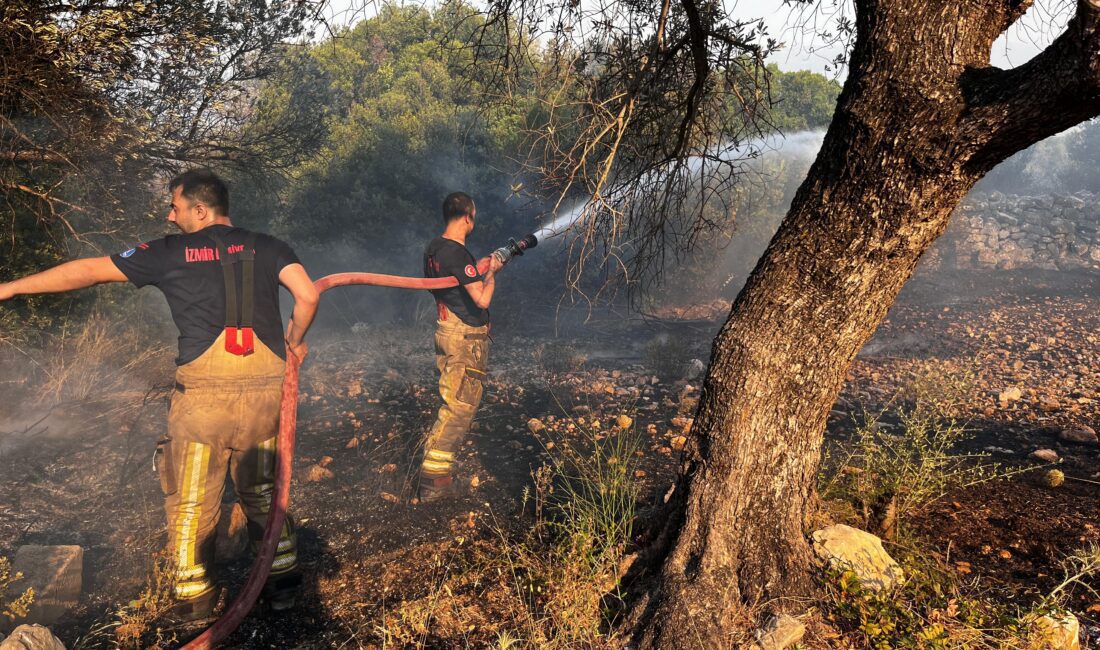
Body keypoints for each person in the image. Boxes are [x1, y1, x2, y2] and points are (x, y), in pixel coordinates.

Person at [0, 169, 319, 619]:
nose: (170, 216)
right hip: (265, 392)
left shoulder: (169, 251)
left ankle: (195, 600)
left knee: (192, 499)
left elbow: (88, 271)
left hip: (204, 399)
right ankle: (282, 586)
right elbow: (308, 296)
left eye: (175, 206)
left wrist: (12, 287)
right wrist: (295, 341)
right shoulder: (269, 245)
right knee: (264, 492)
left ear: (200, 210)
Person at [420, 192, 503, 502]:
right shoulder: (456, 252)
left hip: (447, 329)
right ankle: (434, 479)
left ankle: (437, 474)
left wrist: (476, 269)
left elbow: (454, 284)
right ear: (469, 217)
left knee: (453, 399)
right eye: (474, 216)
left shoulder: (434, 248)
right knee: (461, 404)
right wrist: (491, 274)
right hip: (464, 338)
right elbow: (481, 299)